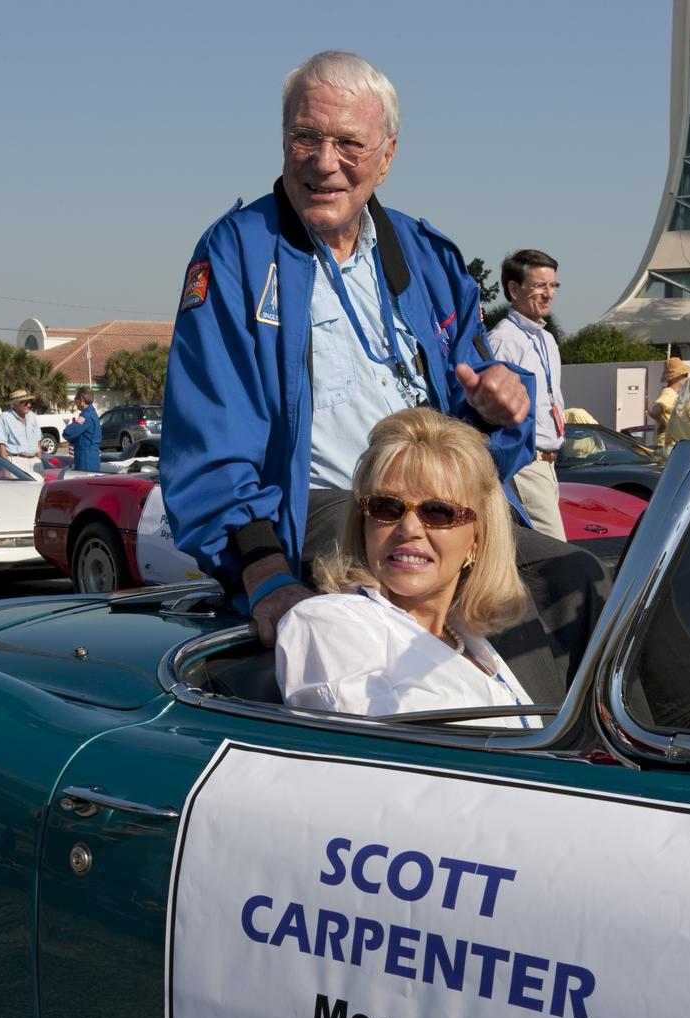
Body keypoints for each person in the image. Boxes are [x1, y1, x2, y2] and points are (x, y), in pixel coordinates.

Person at [161, 50, 607, 687]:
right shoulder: (236, 254)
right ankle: (505, 764)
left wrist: (499, 411)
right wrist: (264, 574)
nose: (324, 162)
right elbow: (208, 443)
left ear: (388, 155)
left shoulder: (427, 259)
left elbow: (479, 426)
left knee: (578, 581)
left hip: (445, 499)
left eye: (349, 142)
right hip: (323, 506)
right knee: (457, 630)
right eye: (305, 137)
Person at [276, 407, 541, 728]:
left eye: (437, 511)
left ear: (476, 540)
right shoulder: (330, 622)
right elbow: (388, 762)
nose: (409, 528)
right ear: (363, 525)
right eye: (387, 507)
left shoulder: (470, 640)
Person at [488, 250, 566, 542]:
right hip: (526, 461)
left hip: (549, 463)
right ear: (513, 289)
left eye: (553, 286)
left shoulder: (546, 339)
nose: (548, 294)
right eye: (539, 286)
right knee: (555, 551)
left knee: (530, 550)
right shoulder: (502, 339)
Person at [0, 391, 43, 477]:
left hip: (35, 461)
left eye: (30, 402)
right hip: (16, 462)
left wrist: (39, 459)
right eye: (26, 403)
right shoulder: (4, 417)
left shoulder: (32, 416)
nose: (29, 405)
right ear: (15, 404)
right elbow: (1, 445)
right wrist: (6, 469)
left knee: (39, 489)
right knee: (18, 490)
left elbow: (38, 439)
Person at [647, 358, 690, 447]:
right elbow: (652, 410)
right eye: (685, 375)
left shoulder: (673, 394)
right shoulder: (669, 394)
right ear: (677, 377)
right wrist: (666, 425)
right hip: (667, 446)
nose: (687, 378)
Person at [63, 386, 102, 471]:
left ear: (81, 399)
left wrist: (68, 428)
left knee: (84, 482)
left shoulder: (86, 416)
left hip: (85, 458)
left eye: (76, 398)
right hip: (91, 457)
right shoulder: (92, 413)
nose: (75, 401)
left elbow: (68, 432)